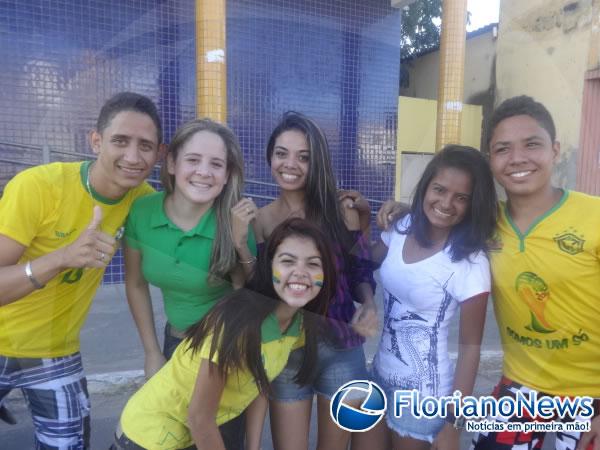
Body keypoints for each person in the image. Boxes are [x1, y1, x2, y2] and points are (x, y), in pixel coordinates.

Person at [378, 96, 600, 450]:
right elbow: (442, 214)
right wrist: (406, 209)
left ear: (555, 150)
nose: (517, 158)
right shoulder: (484, 222)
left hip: (592, 395)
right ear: (492, 160)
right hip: (520, 390)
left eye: (532, 144)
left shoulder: (595, 217)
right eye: (503, 149)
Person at [0, 92, 163, 449]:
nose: (133, 157)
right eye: (121, 141)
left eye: (146, 146)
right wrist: (61, 257)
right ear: (96, 141)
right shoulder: (38, 186)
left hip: (54, 351)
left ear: (158, 154)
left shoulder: (144, 203)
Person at [111, 218, 337, 450]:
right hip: (146, 437)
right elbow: (200, 418)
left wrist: (253, 446)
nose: (300, 272)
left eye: (312, 264)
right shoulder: (237, 323)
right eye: (287, 261)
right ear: (269, 267)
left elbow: (259, 381)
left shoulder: (297, 324)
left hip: (185, 435)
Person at [234, 111, 378, 450]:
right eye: (281, 153)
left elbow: (360, 270)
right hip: (287, 351)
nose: (290, 164)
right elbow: (258, 290)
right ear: (270, 157)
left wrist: (369, 304)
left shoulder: (342, 210)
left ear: (318, 163)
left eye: (304, 157)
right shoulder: (261, 220)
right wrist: (241, 243)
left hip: (341, 346)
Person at [124, 118, 256, 449]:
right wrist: (152, 352)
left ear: (227, 175)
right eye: (193, 160)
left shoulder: (235, 221)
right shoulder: (142, 211)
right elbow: (136, 284)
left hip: (225, 354)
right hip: (174, 344)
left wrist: (240, 244)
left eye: (216, 164)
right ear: (171, 163)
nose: (204, 172)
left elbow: (252, 298)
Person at [364, 145, 497, 450]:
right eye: (439, 189)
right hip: (379, 376)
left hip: (424, 398)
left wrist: (454, 423)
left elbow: (470, 350)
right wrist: (361, 216)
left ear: (472, 204)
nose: (446, 203)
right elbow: (362, 263)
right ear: (426, 187)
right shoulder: (403, 226)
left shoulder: (470, 261)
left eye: (461, 198)